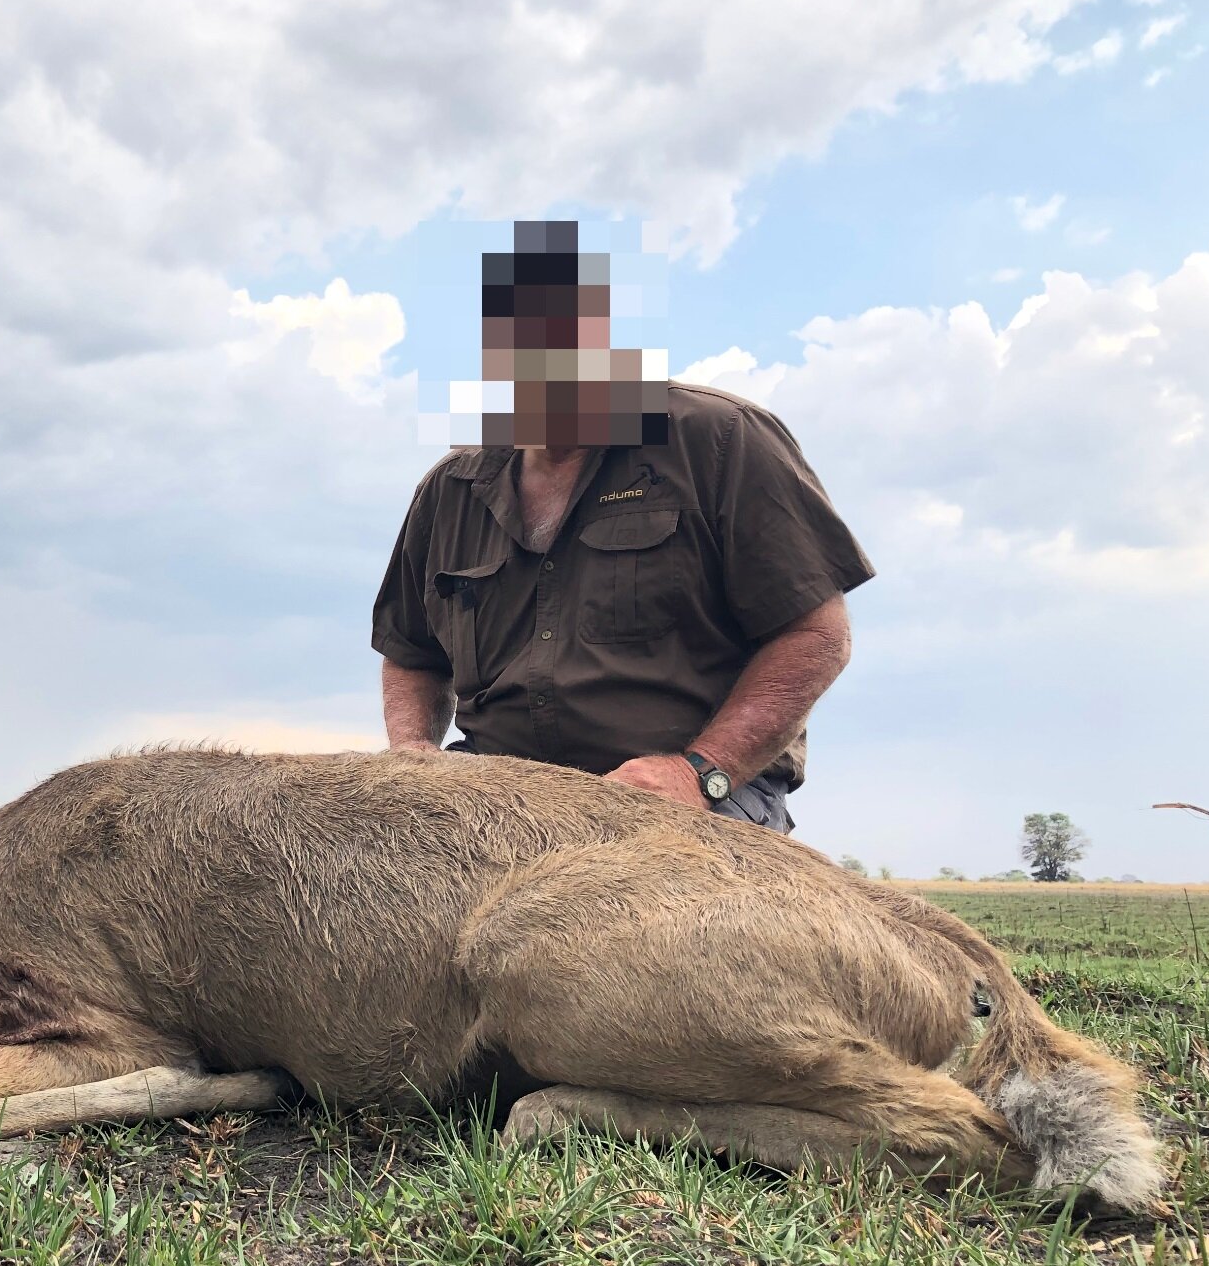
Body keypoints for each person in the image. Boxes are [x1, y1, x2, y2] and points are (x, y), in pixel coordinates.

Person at [372, 221, 872, 831]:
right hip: (497, 789)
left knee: (615, 923)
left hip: (693, 790)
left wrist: (700, 770)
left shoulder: (718, 440)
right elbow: (411, 652)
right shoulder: (452, 487)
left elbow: (817, 636)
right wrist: (411, 753)